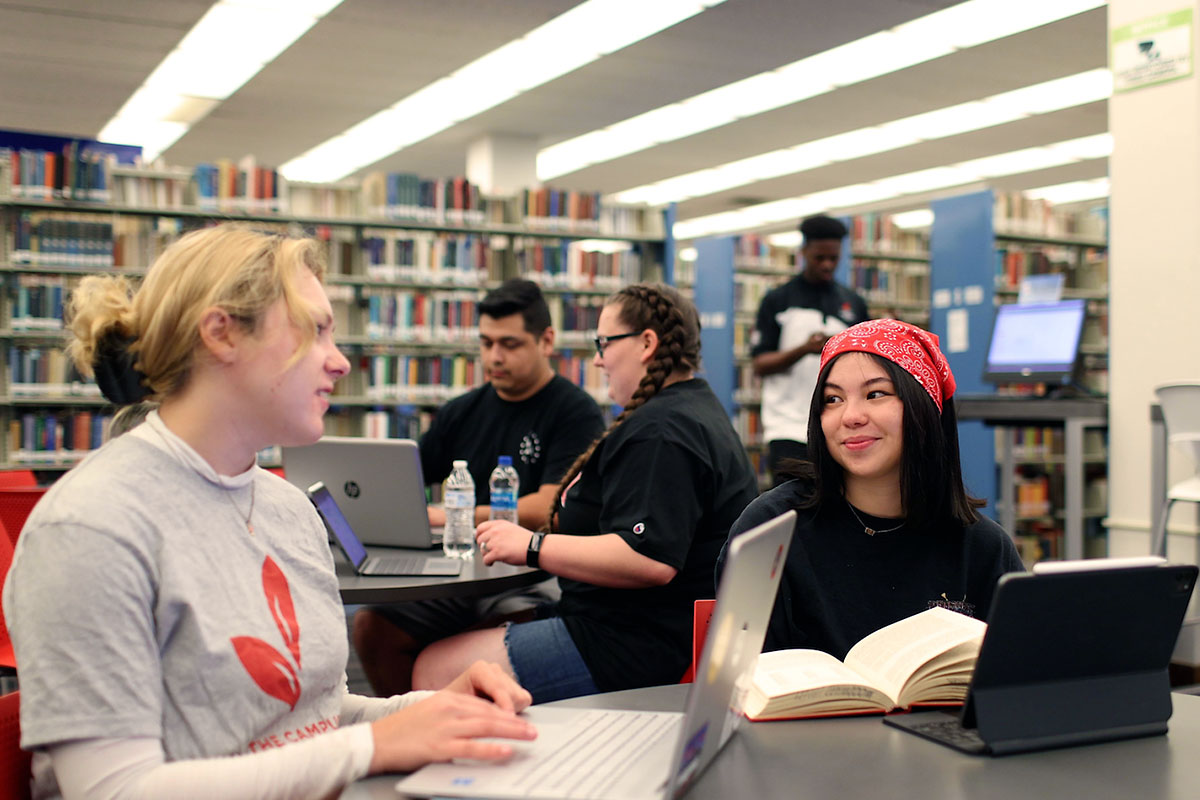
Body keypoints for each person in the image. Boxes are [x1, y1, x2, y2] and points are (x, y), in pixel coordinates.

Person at [3, 225, 536, 800]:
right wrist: (373, 747)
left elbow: (308, 718)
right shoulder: (91, 529)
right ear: (222, 334)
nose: (340, 363)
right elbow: (113, 790)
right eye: (317, 331)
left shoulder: (290, 509)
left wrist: (430, 712)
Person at [408, 284, 759, 704]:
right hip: (646, 626)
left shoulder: (663, 432)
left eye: (604, 343)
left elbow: (648, 559)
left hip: (633, 644)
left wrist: (533, 546)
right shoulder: (690, 408)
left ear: (647, 343)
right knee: (461, 633)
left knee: (435, 668)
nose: (597, 358)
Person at [352, 279, 604, 697]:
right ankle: (412, 737)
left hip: (531, 576)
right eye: (486, 343)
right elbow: (402, 477)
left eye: (509, 344)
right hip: (460, 569)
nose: (494, 357)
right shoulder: (462, 411)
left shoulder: (575, 412)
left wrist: (448, 515)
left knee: (466, 648)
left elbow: (547, 508)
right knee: (372, 628)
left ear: (546, 341)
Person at [723, 318, 1024, 659]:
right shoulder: (769, 531)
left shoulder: (982, 549)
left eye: (875, 394)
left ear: (922, 407)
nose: (850, 416)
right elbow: (735, 683)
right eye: (832, 399)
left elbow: (1020, 680)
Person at [751, 214, 869, 483]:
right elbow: (760, 364)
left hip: (838, 426)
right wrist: (804, 349)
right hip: (788, 427)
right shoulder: (778, 300)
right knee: (792, 508)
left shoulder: (853, 303)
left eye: (834, 258)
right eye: (819, 258)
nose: (827, 265)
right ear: (804, 252)